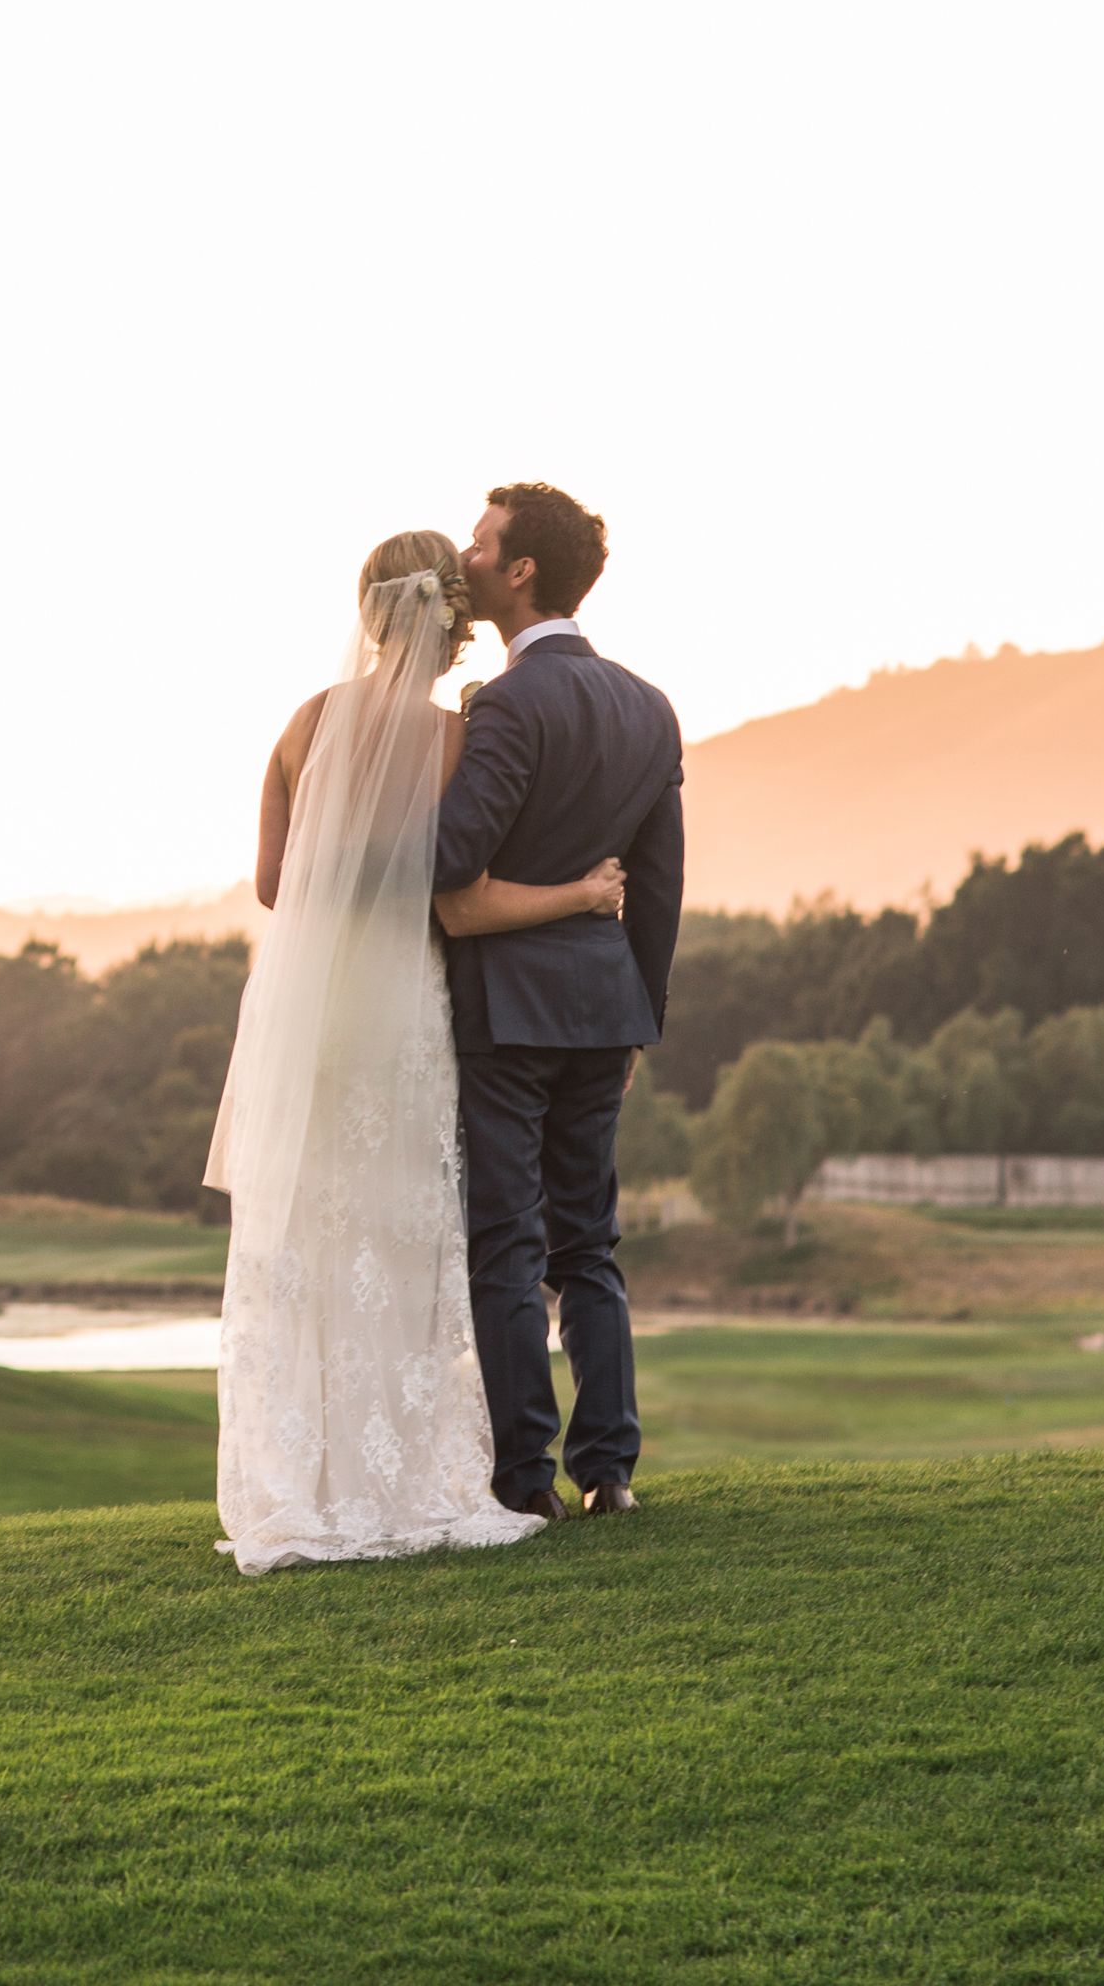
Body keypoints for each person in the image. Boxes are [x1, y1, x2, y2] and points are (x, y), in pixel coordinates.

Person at [202, 526, 632, 1570]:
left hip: (309, 1018)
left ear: (369, 612)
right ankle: (405, 1471)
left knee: (308, 1239)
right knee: (403, 1239)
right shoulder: (452, 738)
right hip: (401, 1015)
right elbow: (462, 901)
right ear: (451, 621)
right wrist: (580, 893)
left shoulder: (306, 725)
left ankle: (302, 1482)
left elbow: (274, 885)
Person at [435, 482, 684, 1522]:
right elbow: (662, 884)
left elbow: (452, 858)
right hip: (605, 1008)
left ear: (520, 569)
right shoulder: (648, 706)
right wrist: (643, 1015)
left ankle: (523, 1479)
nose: (467, 553)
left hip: (509, 1009)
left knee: (508, 1240)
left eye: (481, 543)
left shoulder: (507, 705)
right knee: (590, 1241)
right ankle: (611, 1470)